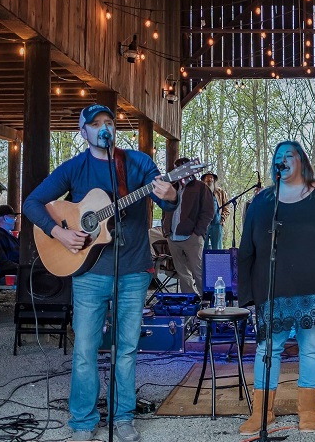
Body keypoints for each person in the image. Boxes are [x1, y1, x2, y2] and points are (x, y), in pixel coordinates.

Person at [23, 104, 178, 442]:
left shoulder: (136, 163)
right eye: (95, 124)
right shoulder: (74, 169)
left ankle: (123, 418)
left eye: (108, 122)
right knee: (85, 349)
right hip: (89, 272)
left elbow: (166, 201)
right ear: (84, 132)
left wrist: (171, 193)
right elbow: (31, 204)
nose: (103, 127)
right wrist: (59, 232)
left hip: (134, 269)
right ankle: (82, 421)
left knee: (126, 348)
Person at [237, 141, 315, 434]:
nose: (283, 160)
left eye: (289, 155)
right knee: (268, 348)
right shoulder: (264, 201)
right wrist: (248, 294)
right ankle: (262, 412)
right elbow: (246, 249)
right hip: (273, 287)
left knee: (311, 347)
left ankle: (307, 411)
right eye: (278, 157)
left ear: (302, 160)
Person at [162, 157, 215, 295]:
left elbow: (209, 211)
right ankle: (189, 300)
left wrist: (198, 232)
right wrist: (166, 228)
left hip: (192, 237)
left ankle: (206, 301)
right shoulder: (172, 188)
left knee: (198, 271)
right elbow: (165, 208)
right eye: (176, 168)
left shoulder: (201, 187)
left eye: (181, 167)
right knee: (182, 273)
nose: (178, 170)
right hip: (173, 236)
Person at [201, 172, 229, 249]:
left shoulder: (221, 192)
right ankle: (203, 261)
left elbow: (227, 207)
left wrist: (222, 218)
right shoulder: (200, 193)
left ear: (214, 181)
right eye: (207, 179)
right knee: (203, 248)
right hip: (203, 225)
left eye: (211, 178)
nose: (209, 180)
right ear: (204, 181)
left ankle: (217, 261)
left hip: (217, 224)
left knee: (217, 249)